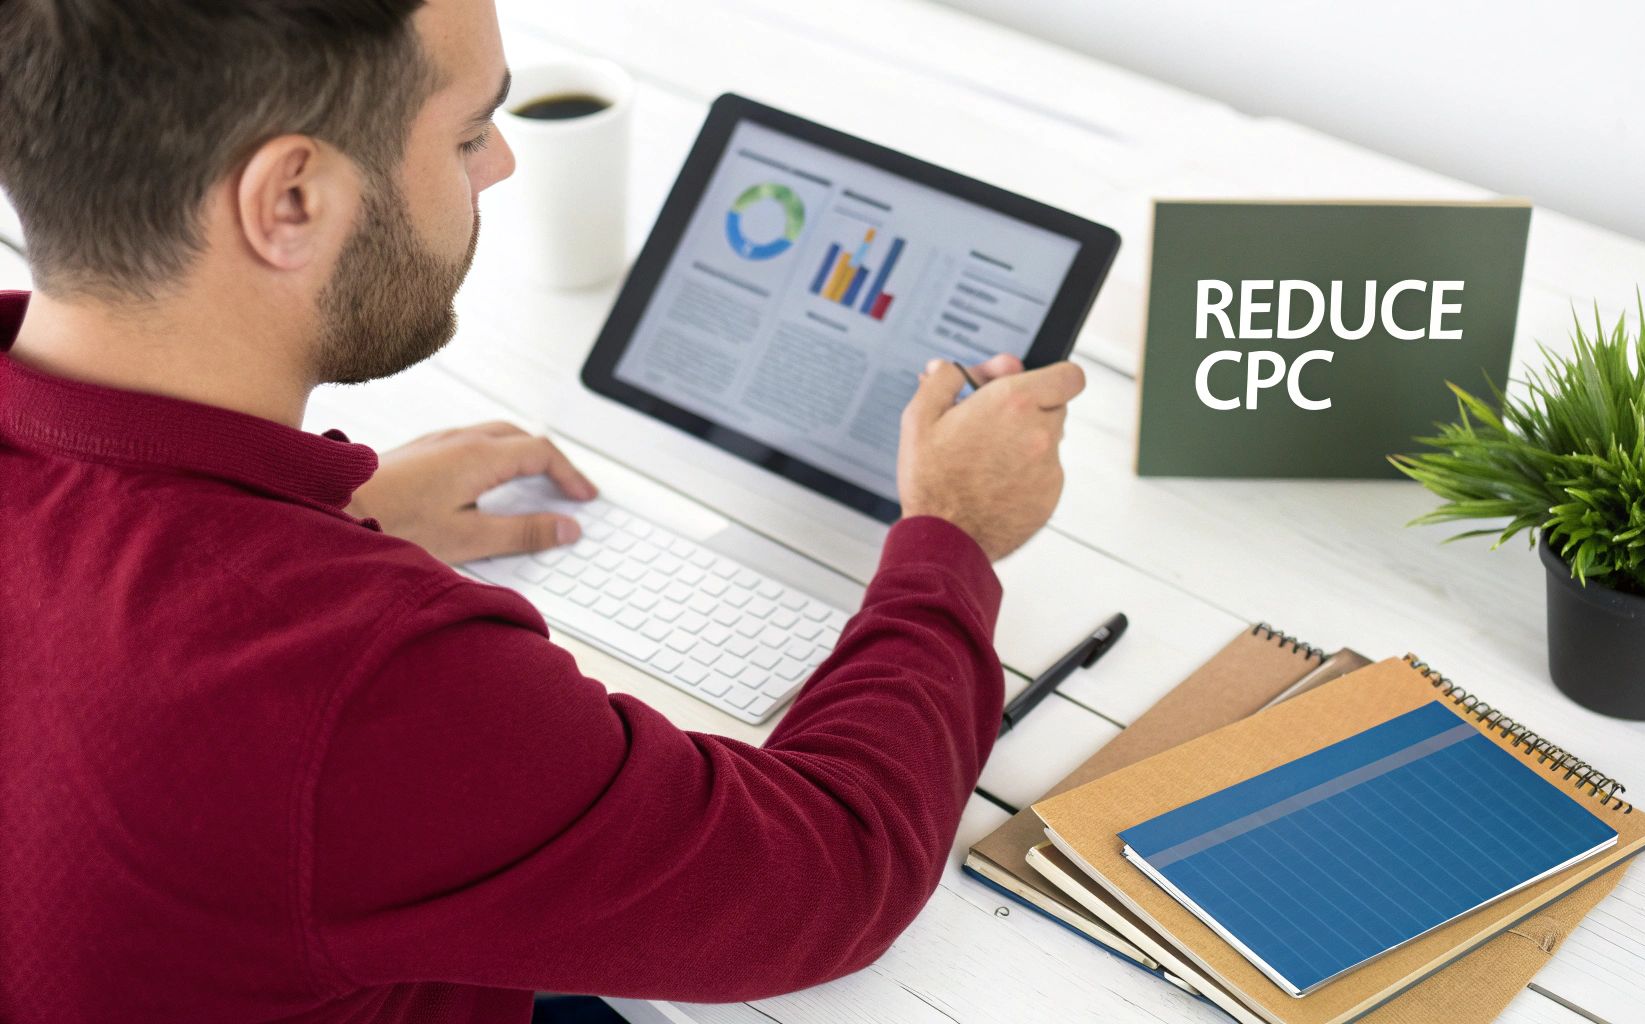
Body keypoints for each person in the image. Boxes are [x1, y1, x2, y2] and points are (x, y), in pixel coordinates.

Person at [0, 1, 1086, 1022]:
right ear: (292, 201)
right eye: (470, 133)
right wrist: (950, 533)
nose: (502, 163)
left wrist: (343, 510)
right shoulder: (340, 675)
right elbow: (831, 871)